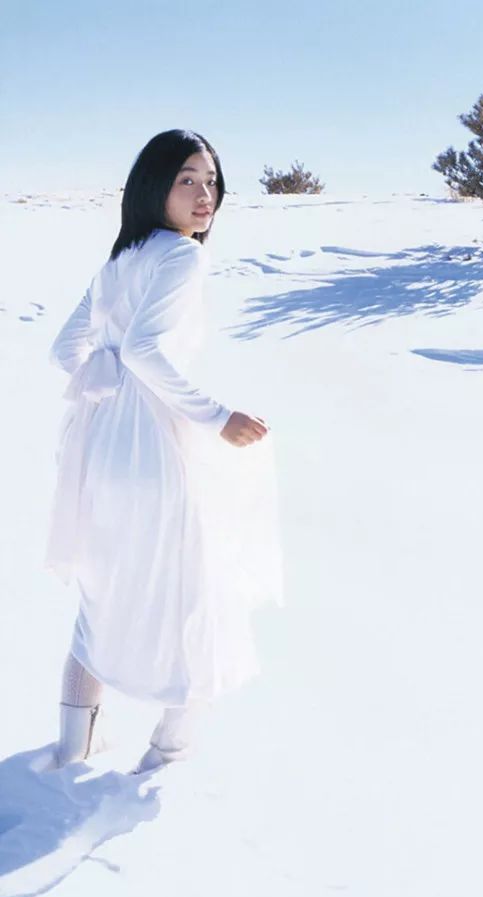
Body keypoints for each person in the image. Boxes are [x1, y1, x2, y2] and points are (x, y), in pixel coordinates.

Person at [44, 129, 284, 775]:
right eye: (187, 180)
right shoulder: (180, 256)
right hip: (152, 442)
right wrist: (219, 417)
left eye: (211, 182)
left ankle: (71, 751)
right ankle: (166, 763)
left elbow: (66, 351)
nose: (205, 195)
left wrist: (106, 376)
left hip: (99, 445)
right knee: (195, 592)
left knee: (103, 594)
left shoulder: (120, 260)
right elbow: (146, 350)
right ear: (155, 186)